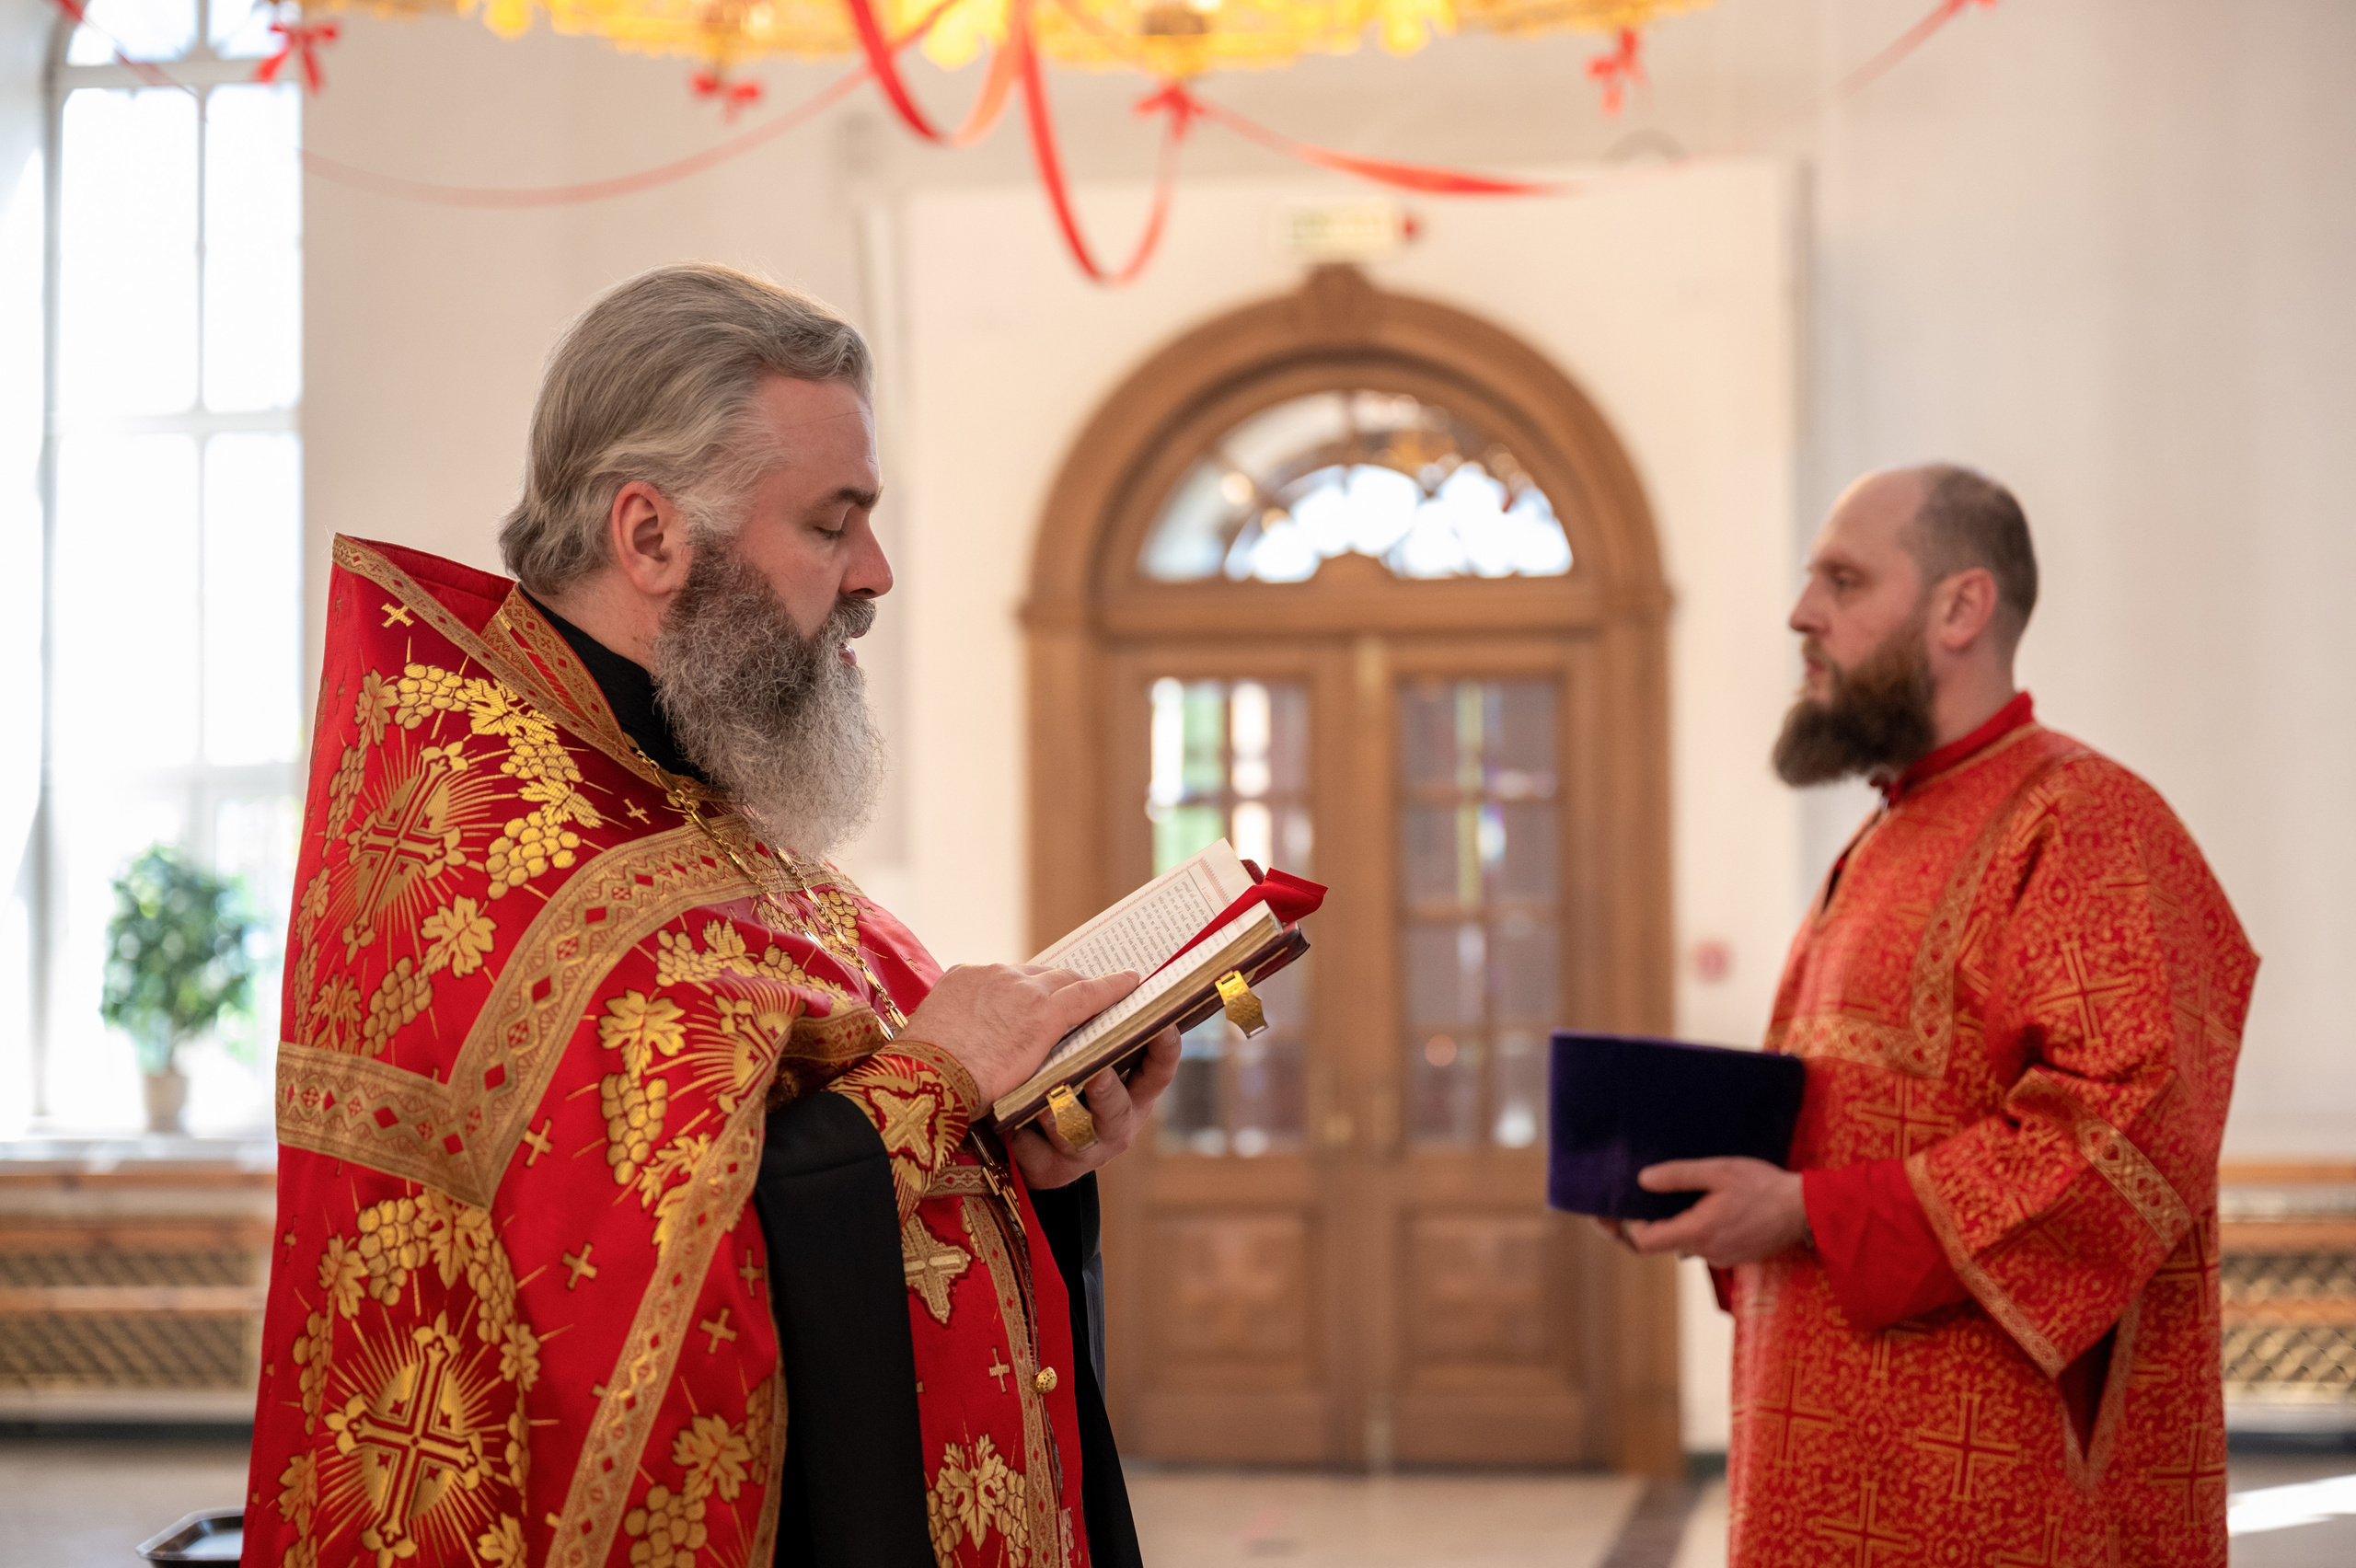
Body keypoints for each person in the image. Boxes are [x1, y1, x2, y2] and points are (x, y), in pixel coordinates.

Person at [241, 263, 1175, 1568]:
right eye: (831, 523)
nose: (877, 572)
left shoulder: (690, 797)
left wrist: (1017, 1145)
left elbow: (796, 1156)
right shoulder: (484, 841)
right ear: (652, 535)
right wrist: (933, 1082)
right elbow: (626, 1291)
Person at [1628, 467, 2254, 1566]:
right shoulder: (1881, 838)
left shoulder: (2086, 822)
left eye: (1843, 579)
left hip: (1995, 1502)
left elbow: (2115, 1140)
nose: (1799, 613)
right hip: (1816, 1460)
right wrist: (1698, 1187)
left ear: (1961, 608)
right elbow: (1840, 1127)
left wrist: (1803, 1212)